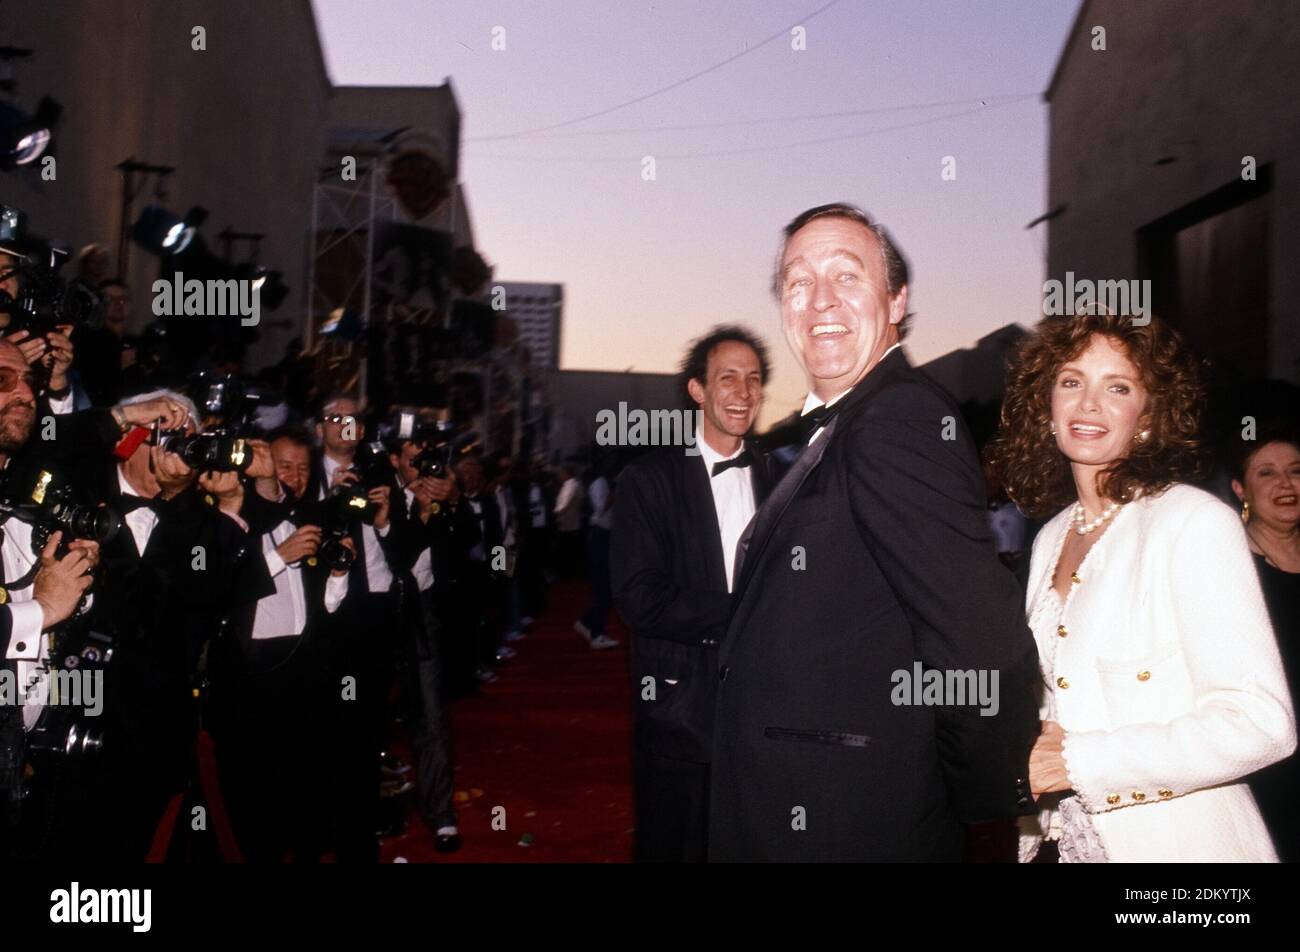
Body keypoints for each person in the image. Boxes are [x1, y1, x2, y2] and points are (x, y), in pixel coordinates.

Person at [709, 203, 1040, 862]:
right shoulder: (847, 424)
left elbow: (978, 642)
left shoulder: (899, 418)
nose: (819, 298)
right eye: (798, 282)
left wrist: (980, 795)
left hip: (849, 815)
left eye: (847, 276)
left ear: (896, 300)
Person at [988, 312, 1296, 862]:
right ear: (1047, 408)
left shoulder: (1192, 521)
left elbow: (1261, 724)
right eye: (1072, 381)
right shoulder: (1051, 537)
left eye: (1118, 387)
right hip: (1060, 844)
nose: (1088, 403)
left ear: (1149, 417)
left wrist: (1078, 762)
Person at [613, 324, 772, 862]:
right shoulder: (648, 480)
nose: (743, 392)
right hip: (680, 705)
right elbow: (638, 596)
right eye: (727, 378)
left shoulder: (782, 477)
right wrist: (745, 613)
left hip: (764, 708)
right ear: (698, 390)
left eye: (753, 379)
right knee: (675, 844)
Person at [1230, 430, 1300, 861]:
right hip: (1274, 760)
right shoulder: (1233, 566)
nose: (1286, 484)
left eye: (1296, 471)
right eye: (1267, 473)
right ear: (1241, 490)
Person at [575, 460, 618, 650]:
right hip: (599, 535)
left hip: (603, 535)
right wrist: (617, 493)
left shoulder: (601, 482)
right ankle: (595, 631)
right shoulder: (599, 483)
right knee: (603, 587)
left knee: (605, 587)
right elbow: (602, 508)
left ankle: (588, 622)